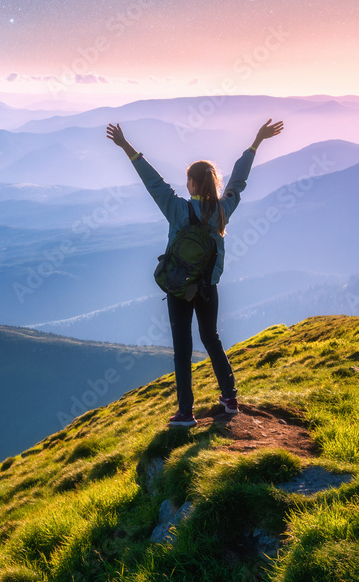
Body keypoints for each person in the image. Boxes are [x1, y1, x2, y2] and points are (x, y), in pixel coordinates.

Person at [106, 118, 284, 427]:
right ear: (213, 183)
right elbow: (239, 181)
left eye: (187, 180)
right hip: (207, 287)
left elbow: (154, 183)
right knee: (211, 338)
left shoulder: (177, 208)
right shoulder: (222, 210)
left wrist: (126, 147)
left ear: (191, 184)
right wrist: (256, 142)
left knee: (182, 350)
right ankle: (230, 398)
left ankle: (186, 413)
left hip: (178, 288)